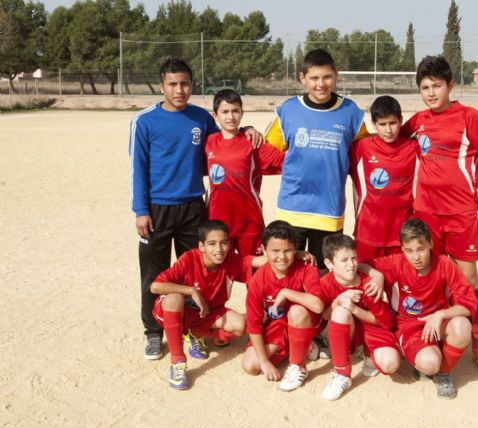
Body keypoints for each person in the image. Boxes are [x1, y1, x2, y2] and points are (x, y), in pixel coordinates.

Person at [129, 58, 261, 360]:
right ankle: (153, 333)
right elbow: (138, 167)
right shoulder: (144, 120)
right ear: (162, 86)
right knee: (154, 275)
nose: (179, 90)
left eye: (185, 83)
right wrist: (140, 210)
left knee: (196, 277)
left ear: (192, 85)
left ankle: (194, 330)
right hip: (157, 209)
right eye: (173, 84)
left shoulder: (201, 118)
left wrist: (248, 128)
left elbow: (227, 134)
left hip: (193, 208)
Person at [400, 55, 478, 376]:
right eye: (425, 87)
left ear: (451, 85)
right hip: (426, 214)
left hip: (461, 214)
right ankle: (428, 337)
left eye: (436, 86)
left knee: (468, 280)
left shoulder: (469, 117)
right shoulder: (417, 121)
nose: (431, 93)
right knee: (430, 278)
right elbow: (389, 138)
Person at [265, 49, 369, 268]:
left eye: (326, 77)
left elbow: (365, 155)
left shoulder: (351, 112)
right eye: (314, 78)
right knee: (288, 271)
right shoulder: (288, 111)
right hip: (292, 208)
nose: (321, 84)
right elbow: (267, 150)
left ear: (336, 75)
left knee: (323, 273)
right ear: (303, 78)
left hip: (329, 210)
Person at [362, 219, 478, 399]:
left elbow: (469, 304)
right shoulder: (395, 263)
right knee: (430, 363)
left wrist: (441, 314)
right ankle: (409, 352)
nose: (416, 257)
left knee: (462, 326)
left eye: (421, 249)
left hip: (437, 323)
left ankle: (443, 374)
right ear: (402, 249)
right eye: (409, 251)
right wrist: (374, 273)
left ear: (431, 244)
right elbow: (360, 264)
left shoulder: (445, 264)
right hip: (409, 326)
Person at [150, 220, 255, 390]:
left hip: (205, 314)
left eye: (224, 243)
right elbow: (155, 286)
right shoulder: (189, 258)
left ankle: (194, 334)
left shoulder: (231, 259)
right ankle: (177, 362)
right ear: (202, 246)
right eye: (212, 244)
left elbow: (260, 261)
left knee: (240, 325)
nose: (219, 249)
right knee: (174, 298)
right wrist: (191, 291)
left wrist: (297, 253)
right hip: (175, 311)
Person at [241, 220, 325, 392]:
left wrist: (287, 293)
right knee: (251, 365)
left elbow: (318, 306)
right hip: (279, 324)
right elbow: (254, 323)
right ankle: (304, 345)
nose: (282, 256)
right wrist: (264, 362)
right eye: (275, 251)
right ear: (264, 251)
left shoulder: (306, 268)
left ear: (295, 248)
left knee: (297, 310)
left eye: (287, 250)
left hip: (305, 320)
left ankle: (298, 365)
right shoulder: (259, 278)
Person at [317, 234, 400, 401]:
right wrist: (339, 300)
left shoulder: (369, 284)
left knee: (390, 364)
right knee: (340, 311)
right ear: (328, 264)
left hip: (373, 329)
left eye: (354, 258)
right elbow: (325, 315)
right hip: (349, 329)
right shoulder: (326, 282)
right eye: (344, 260)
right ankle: (342, 373)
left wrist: (354, 309)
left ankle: (369, 355)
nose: (351, 265)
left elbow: (383, 321)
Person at [205, 89, 285, 257]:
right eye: (225, 112)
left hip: (249, 222)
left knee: (254, 275)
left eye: (235, 111)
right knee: (220, 275)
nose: (230, 116)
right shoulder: (209, 142)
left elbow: (284, 162)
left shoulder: (253, 142)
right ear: (215, 115)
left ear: (242, 113)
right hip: (218, 220)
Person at [349, 95, 419, 260]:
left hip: (402, 232)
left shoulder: (414, 148)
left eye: (393, 123)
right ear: (374, 124)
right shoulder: (360, 148)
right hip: (368, 232)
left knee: (399, 284)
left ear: (401, 120)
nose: (388, 130)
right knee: (368, 282)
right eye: (382, 124)